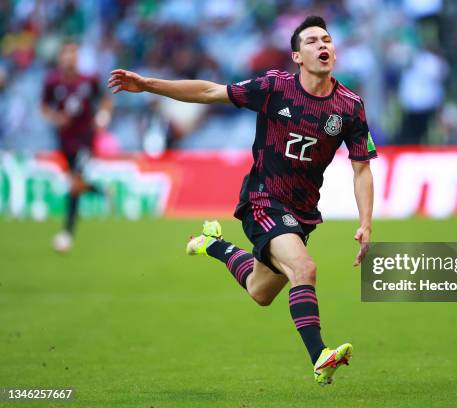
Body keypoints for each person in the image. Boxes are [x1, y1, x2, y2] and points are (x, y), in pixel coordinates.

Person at [108, 16, 376, 386]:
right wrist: (148, 84)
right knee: (304, 269)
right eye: (312, 41)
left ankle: (213, 245)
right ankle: (320, 357)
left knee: (260, 291)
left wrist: (366, 222)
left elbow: (361, 169)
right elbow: (208, 92)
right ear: (297, 56)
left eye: (326, 39)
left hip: (302, 212)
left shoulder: (349, 106)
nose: (322, 44)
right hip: (262, 199)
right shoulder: (275, 87)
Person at [41, 41, 113, 252]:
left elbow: (105, 100)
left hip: (84, 139)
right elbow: (44, 107)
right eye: (66, 53)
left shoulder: (89, 80)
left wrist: (103, 117)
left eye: (73, 53)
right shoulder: (52, 82)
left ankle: (66, 234)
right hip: (64, 140)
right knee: (76, 182)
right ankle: (101, 191)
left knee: (74, 185)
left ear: (77, 57)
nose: (69, 58)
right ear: (60, 57)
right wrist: (56, 118)